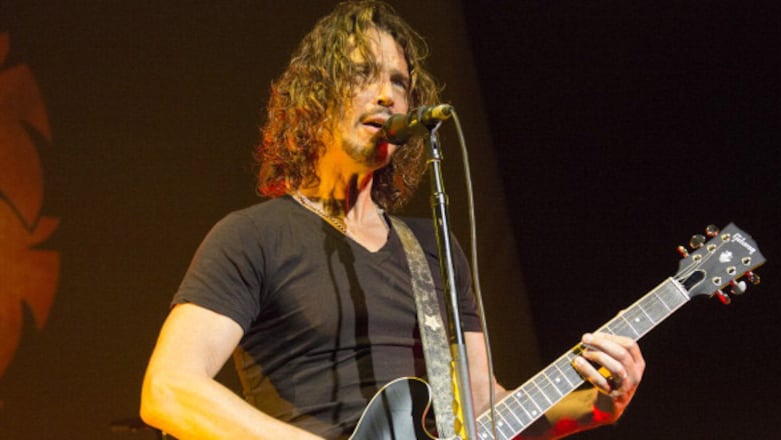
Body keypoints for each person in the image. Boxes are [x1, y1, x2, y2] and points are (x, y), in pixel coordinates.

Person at [140, 1, 645, 439]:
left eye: (399, 82)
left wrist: (596, 408)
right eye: (364, 75)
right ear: (317, 95)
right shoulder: (253, 237)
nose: (386, 95)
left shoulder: (432, 248)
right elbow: (169, 388)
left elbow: (485, 412)